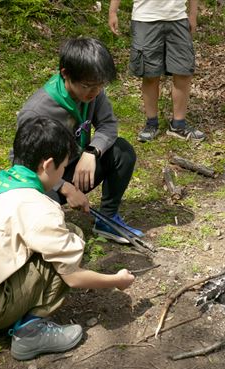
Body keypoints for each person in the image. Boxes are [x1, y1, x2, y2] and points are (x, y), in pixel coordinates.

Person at [0, 117, 136, 361]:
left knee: (57, 235)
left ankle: (6, 307)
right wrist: (116, 280)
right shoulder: (40, 208)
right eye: (63, 168)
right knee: (72, 236)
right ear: (48, 165)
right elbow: (72, 277)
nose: (63, 174)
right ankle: (29, 332)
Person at [16, 37, 143, 244]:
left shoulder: (94, 93)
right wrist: (64, 187)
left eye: (100, 86)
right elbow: (23, 164)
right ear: (65, 73)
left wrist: (92, 152)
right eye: (87, 86)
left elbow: (108, 125)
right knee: (36, 218)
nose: (94, 92)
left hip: (75, 166)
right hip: (44, 179)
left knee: (122, 151)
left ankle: (107, 220)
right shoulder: (37, 110)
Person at [108, 0, 206, 143]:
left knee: (183, 71)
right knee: (150, 74)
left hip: (178, 17)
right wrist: (112, 12)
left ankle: (178, 125)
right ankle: (151, 124)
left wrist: (192, 14)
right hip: (145, 18)